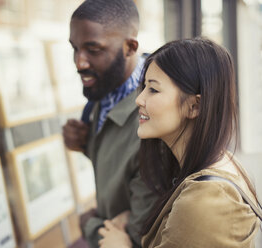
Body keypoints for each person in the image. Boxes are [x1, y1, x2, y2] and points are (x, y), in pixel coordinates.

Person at [97, 37, 261, 247]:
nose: (139, 99)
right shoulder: (216, 161)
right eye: (144, 87)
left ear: (194, 106)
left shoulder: (206, 201)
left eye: (153, 90)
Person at [62, 0, 157, 247]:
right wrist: (87, 145)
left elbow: (141, 235)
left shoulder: (153, 119)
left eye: (93, 50)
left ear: (130, 47)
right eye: (75, 48)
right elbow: (121, 162)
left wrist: (89, 224)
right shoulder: (106, 90)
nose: (79, 63)